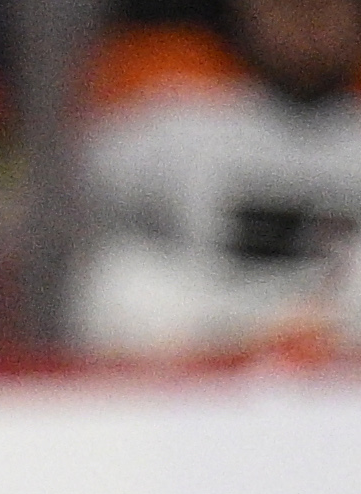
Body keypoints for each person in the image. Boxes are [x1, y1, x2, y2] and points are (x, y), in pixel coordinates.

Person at [67, 0, 359, 356]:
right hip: (213, 329)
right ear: (246, 13)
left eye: (325, 8)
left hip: (343, 330)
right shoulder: (176, 124)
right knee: (118, 282)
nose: (305, 25)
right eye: (284, 8)